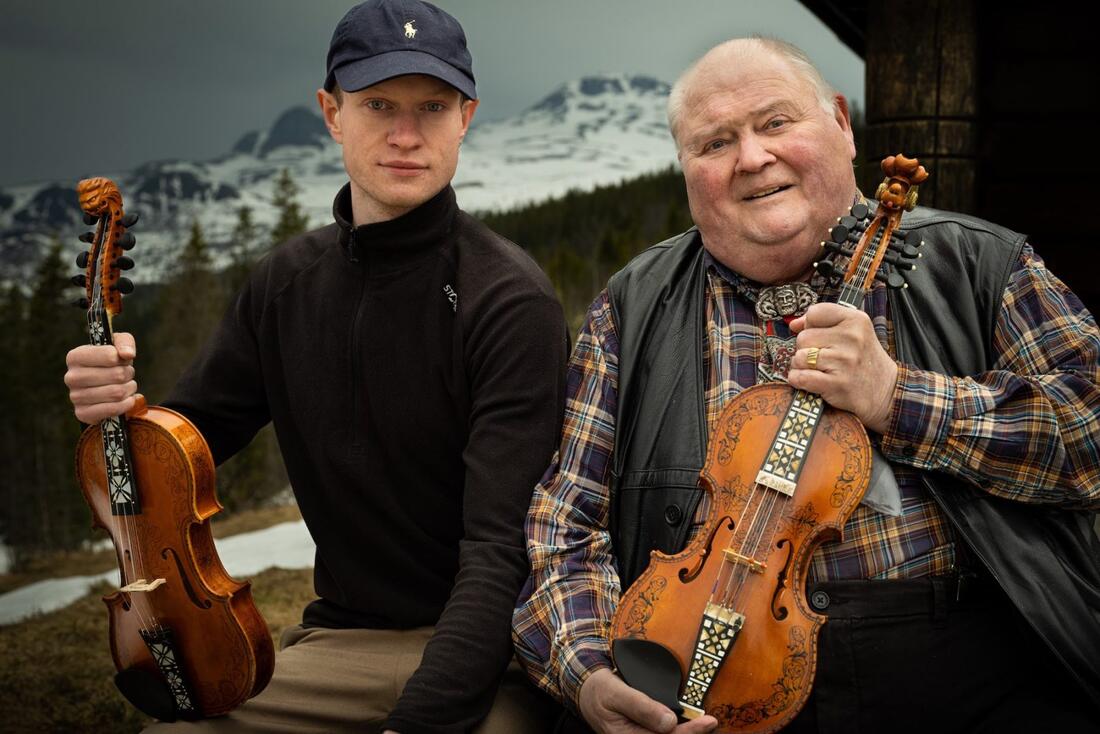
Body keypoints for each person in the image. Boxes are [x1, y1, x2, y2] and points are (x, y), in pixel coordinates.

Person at [512, 37, 1100, 734]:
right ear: (686, 170)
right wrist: (588, 674)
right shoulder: (633, 306)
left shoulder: (983, 264)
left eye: (776, 123)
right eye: (715, 143)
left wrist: (896, 397)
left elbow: (1088, 438)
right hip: (710, 693)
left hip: (972, 682)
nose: (752, 158)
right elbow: (565, 527)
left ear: (843, 125)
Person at [64, 1, 568, 731]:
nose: (405, 134)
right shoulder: (285, 285)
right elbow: (177, 457)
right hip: (344, 642)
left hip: (495, 648)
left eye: (432, 106)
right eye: (377, 105)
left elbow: (500, 553)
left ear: (467, 116)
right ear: (332, 114)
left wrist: (418, 722)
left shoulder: (509, 300)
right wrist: (116, 413)